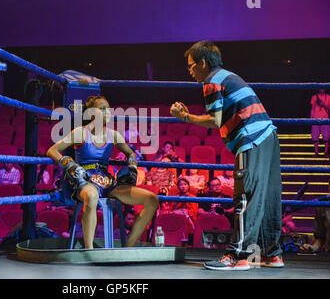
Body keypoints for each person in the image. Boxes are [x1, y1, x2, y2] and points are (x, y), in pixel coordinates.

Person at [170, 41, 283, 270]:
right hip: (268, 136)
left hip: (251, 138)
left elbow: (215, 120)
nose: (189, 71)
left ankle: (238, 256)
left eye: (191, 65)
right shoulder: (228, 76)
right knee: (268, 198)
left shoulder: (212, 82)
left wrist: (185, 117)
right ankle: (271, 254)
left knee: (246, 197)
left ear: (203, 63)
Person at [46, 95, 159, 249]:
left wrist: (132, 166)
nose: (108, 113)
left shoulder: (114, 135)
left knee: (152, 199)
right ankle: (89, 249)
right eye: (103, 109)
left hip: (107, 181)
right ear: (92, 113)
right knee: (92, 196)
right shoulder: (80, 132)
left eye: (109, 109)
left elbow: (131, 153)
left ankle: (127, 248)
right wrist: (69, 164)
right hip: (84, 180)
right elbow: (52, 150)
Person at [310, 89, 329, 157]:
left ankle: (326, 152)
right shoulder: (314, 97)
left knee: (326, 136)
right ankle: (316, 152)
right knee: (315, 136)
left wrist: (324, 105)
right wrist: (311, 119)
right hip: (316, 119)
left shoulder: (329, 97)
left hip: (325, 119)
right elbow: (312, 109)